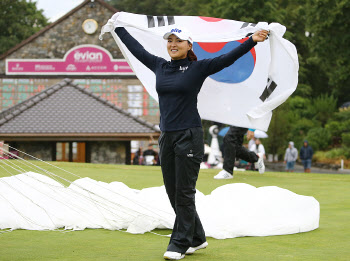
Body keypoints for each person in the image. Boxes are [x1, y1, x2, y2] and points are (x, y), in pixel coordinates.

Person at [115, 21, 268, 260]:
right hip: (166, 136)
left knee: (184, 193)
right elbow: (138, 50)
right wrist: (118, 28)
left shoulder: (198, 68)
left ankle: (180, 242)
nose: (173, 44)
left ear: (189, 46)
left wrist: (251, 41)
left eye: (178, 41)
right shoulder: (160, 66)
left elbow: (227, 58)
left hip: (189, 135)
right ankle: (197, 237)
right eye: (170, 41)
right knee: (172, 191)